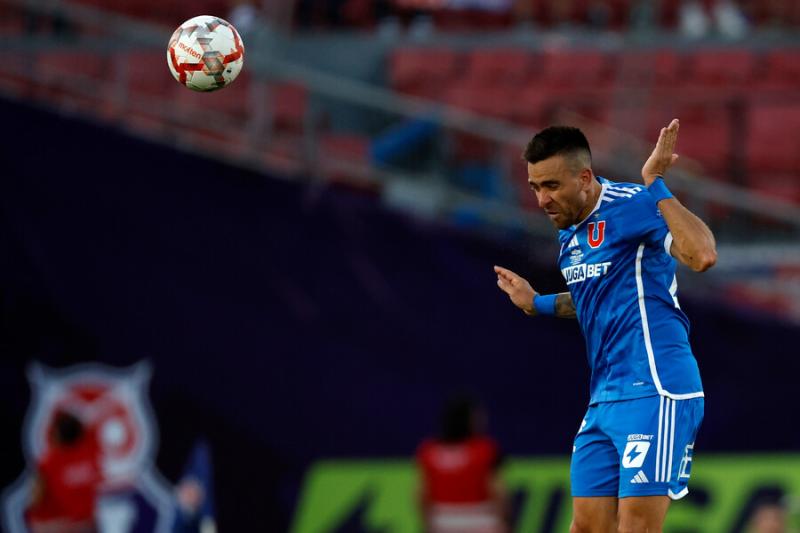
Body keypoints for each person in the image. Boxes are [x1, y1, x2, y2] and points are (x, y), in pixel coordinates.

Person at [494, 120, 716, 532]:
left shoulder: (634, 204)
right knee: (587, 527)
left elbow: (702, 254)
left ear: (584, 177)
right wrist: (536, 303)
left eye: (552, 186)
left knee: (636, 528)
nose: (543, 199)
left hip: (656, 386)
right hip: (604, 398)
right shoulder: (569, 233)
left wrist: (656, 184)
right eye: (535, 187)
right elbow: (593, 299)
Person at [416, 395, 508, 533]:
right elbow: (498, 491)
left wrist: (428, 525)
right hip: (482, 523)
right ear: (468, 420)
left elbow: (421, 494)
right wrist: (503, 523)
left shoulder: (429, 452)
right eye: (477, 416)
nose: (482, 420)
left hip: (442, 524)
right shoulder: (485, 450)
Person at [26, 410, 102, 533]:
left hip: (54, 526)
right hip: (85, 525)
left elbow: (36, 497)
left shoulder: (49, 462)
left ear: (58, 433)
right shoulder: (91, 459)